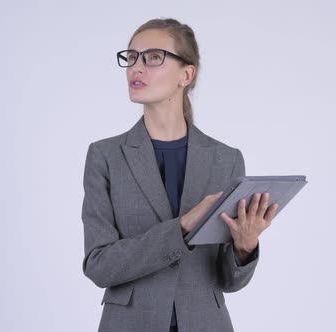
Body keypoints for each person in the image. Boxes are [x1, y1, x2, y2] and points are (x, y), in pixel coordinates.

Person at [81, 18, 279, 332]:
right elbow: (99, 266)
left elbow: (228, 281)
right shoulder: (106, 156)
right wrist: (183, 226)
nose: (137, 67)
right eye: (131, 57)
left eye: (153, 57)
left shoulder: (225, 160)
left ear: (186, 74)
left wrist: (244, 247)